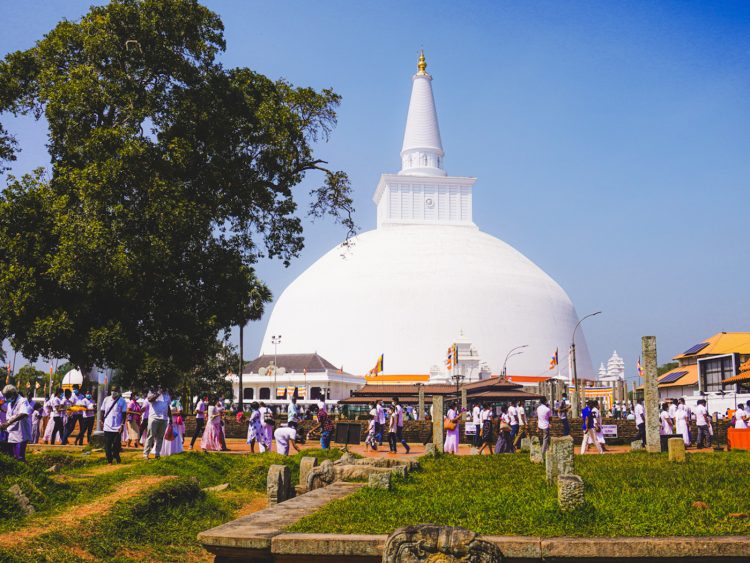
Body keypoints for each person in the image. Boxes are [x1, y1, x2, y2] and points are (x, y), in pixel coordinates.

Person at [0, 386, 32, 461]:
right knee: (12, 456)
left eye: (8, 396)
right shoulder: (9, 404)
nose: (6, 399)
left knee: (20, 456)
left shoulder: (23, 401)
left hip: (21, 433)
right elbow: (10, 416)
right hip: (12, 433)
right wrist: (4, 425)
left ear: (13, 394)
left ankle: (24, 471)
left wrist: (8, 423)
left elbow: (23, 413)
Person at [100, 386, 127, 465]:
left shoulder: (122, 401)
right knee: (107, 445)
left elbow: (124, 414)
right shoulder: (106, 399)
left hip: (117, 427)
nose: (113, 392)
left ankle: (116, 456)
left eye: (115, 391)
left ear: (118, 392)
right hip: (107, 426)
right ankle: (109, 461)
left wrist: (122, 425)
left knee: (117, 445)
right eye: (112, 390)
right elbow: (102, 410)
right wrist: (101, 420)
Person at [143, 387, 170, 460]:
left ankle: (157, 454)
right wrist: (158, 393)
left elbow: (168, 407)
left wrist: (170, 419)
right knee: (151, 436)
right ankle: (146, 454)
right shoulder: (152, 392)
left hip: (164, 419)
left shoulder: (167, 395)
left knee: (160, 437)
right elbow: (150, 399)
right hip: (154, 418)